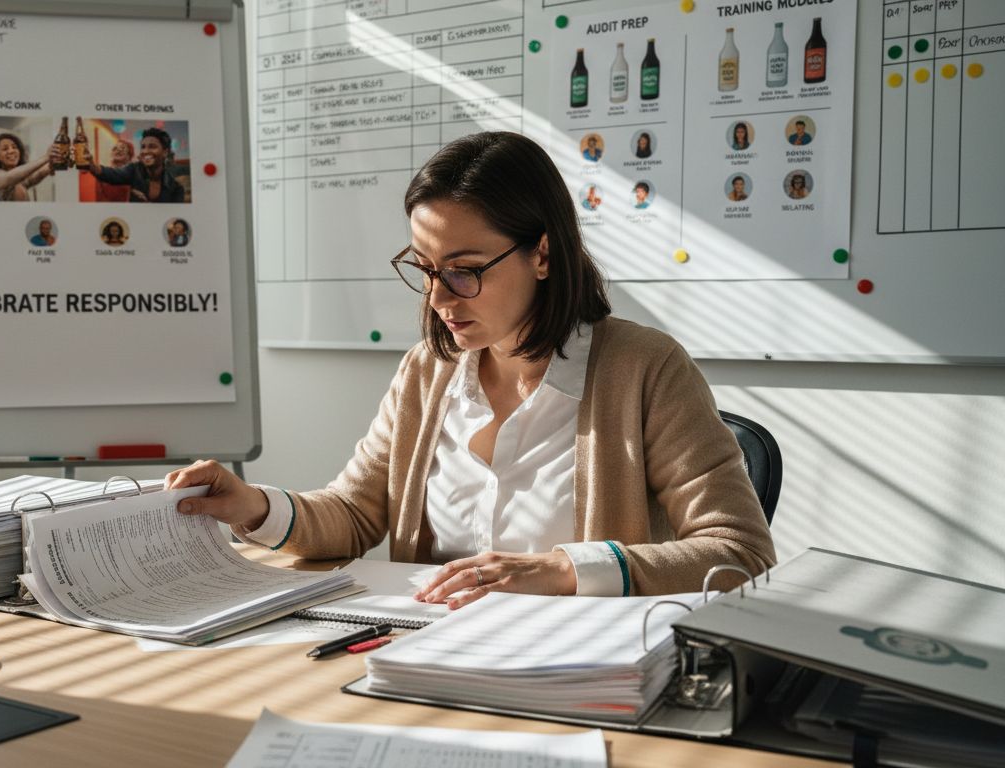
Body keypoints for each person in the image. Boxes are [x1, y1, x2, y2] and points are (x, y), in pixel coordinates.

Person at [166, 131, 775, 604]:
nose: (438, 297)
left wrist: (563, 570)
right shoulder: (428, 372)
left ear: (541, 252)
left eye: (464, 269)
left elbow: (739, 553)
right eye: (426, 268)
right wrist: (251, 506)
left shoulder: (646, 369)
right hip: (420, 644)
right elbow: (353, 514)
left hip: (570, 665)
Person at [76, 127, 186, 203]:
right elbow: (112, 174)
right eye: (143, 147)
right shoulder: (134, 169)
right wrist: (91, 165)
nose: (146, 151)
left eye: (152, 146)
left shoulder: (176, 188)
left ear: (165, 152)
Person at [0, 132, 53, 201]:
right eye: (5, 149)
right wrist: (46, 157)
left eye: (14, 147)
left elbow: (38, 174)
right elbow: (8, 177)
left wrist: (54, 163)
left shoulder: (20, 181)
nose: (11, 151)